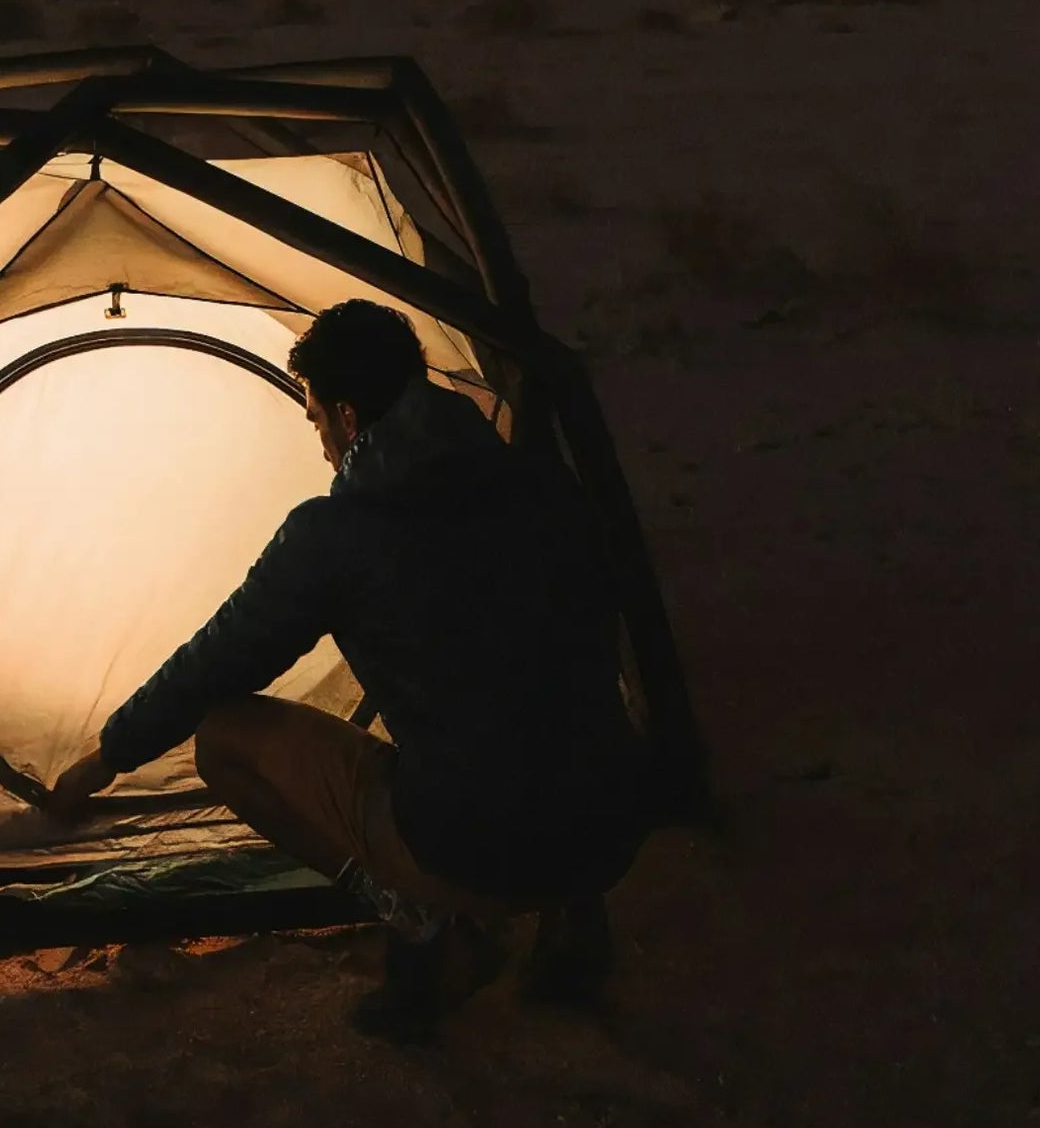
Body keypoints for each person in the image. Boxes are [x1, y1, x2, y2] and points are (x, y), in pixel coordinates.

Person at [46, 297, 646, 1039]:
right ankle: (575, 922)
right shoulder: (543, 481)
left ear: (348, 417)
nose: (323, 447)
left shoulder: (339, 533)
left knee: (224, 736)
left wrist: (107, 756)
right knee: (540, 698)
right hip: (612, 826)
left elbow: (216, 661)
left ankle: (417, 913)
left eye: (316, 422)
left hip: (476, 846)